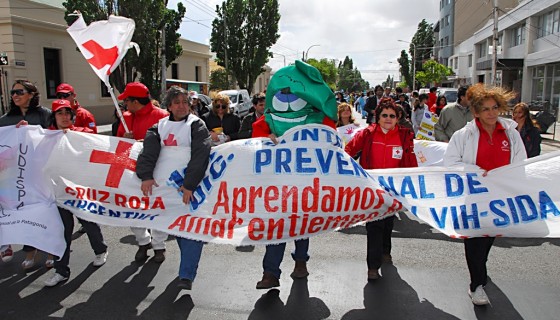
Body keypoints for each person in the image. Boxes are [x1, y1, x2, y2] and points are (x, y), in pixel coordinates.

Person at [444, 83, 526, 306]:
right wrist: (474, 172)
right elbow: (450, 163)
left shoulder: (511, 134)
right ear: (477, 113)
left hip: (498, 199)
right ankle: (476, 285)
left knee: (487, 240)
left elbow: (520, 162)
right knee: (474, 242)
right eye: (486, 109)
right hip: (472, 198)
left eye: (494, 108)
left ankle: (480, 271)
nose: (492, 113)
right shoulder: (463, 136)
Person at [136, 86, 211, 290]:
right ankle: (186, 269)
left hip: (189, 189)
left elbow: (200, 156)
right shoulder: (158, 127)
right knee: (178, 229)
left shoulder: (197, 125)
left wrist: (189, 185)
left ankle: (186, 275)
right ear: (169, 106)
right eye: (177, 102)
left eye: (185, 102)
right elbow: (148, 152)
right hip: (166, 191)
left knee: (192, 229)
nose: (182, 106)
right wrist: (146, 176)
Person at [344, 98, 418, 281]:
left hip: (394, 190)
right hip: (372, 189)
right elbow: (349, 151)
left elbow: (412, 160)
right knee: (374, 226)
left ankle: (386, 250)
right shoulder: (367, 134)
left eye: (392, 116)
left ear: (397, 117)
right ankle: (373, 266)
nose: (388, 119)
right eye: (384, 115)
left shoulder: (404, 135)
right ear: (377, 117)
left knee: (388, 223)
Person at [43, 99, 108, 287]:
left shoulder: (84, 134)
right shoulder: (46, 137)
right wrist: (21, 131)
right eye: (59, 113)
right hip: (58, 193)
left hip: (80, 191)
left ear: (72, 116)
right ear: (53, 117)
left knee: (89, 223)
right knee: (61, 231)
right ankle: (61, 270)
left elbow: (104, 148)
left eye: (67, 113)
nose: (64, 117)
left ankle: (100, 249)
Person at [0, 80, 51, 268]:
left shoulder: (44, 114)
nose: (15, 95)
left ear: (31, 94)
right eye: (13, 92)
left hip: (41, 173)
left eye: (19, 91)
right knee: (24, 212)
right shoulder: (5, 120)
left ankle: (51, 251)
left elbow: (55, 137)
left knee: (45, 212)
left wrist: (32, 131)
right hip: (18, 176)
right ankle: (29, 252)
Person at [116, 82, 170, 263]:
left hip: (158, 171)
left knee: (159, 209)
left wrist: (145, 143)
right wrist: (124, 139)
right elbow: (116, 144)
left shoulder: (162, 116)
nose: (125, 104)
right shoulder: (126, 117)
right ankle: (143, 241)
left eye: (127, 100)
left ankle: (159, 246)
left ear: (135, 101)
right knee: (131, 208)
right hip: (132, 171)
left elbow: (171, 143)